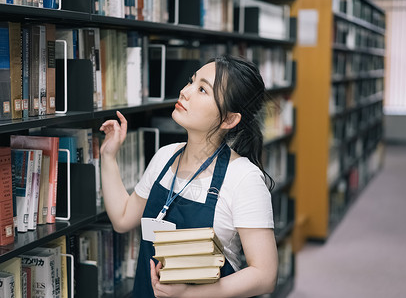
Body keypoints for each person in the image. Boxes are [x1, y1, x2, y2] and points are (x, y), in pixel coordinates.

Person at [99, 54, 278, 297]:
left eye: (202, 89)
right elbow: (122, 218)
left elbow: (264, 275)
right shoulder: (165, 157)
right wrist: (108, 157)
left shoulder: (244, 178)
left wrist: (186, 295)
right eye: (191, 81)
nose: (185, 91)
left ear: (228, 119)